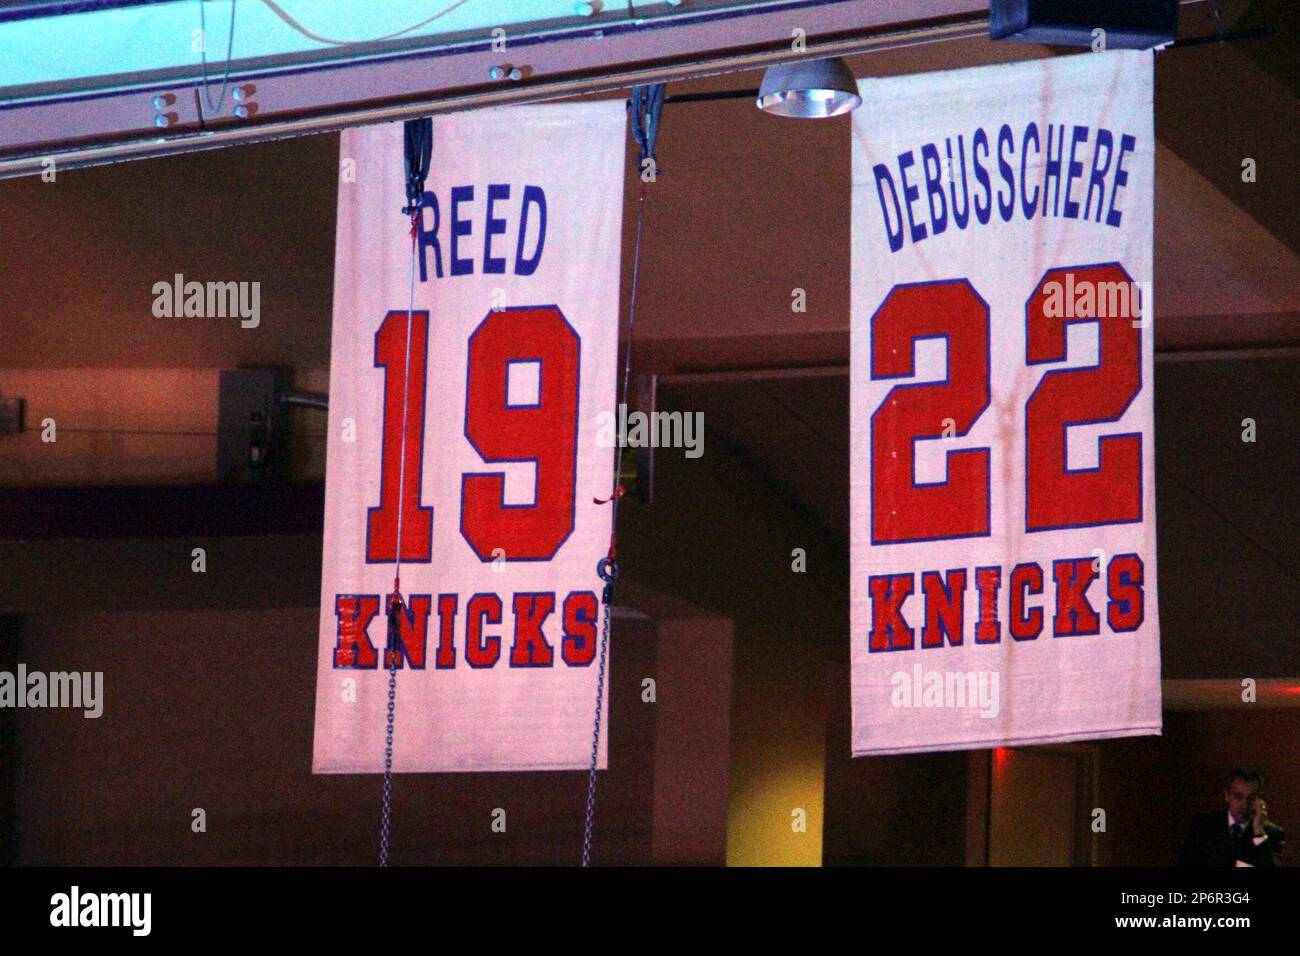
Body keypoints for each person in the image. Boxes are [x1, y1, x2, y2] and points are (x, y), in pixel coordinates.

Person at [1179, 767, 1285, 867]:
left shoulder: (1271, 834)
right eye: (1238, 796)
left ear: (1259, 800)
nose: (1244, 805)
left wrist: (1259, 832)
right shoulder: (1203, 825)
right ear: (1227, 795)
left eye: (1251, 798)